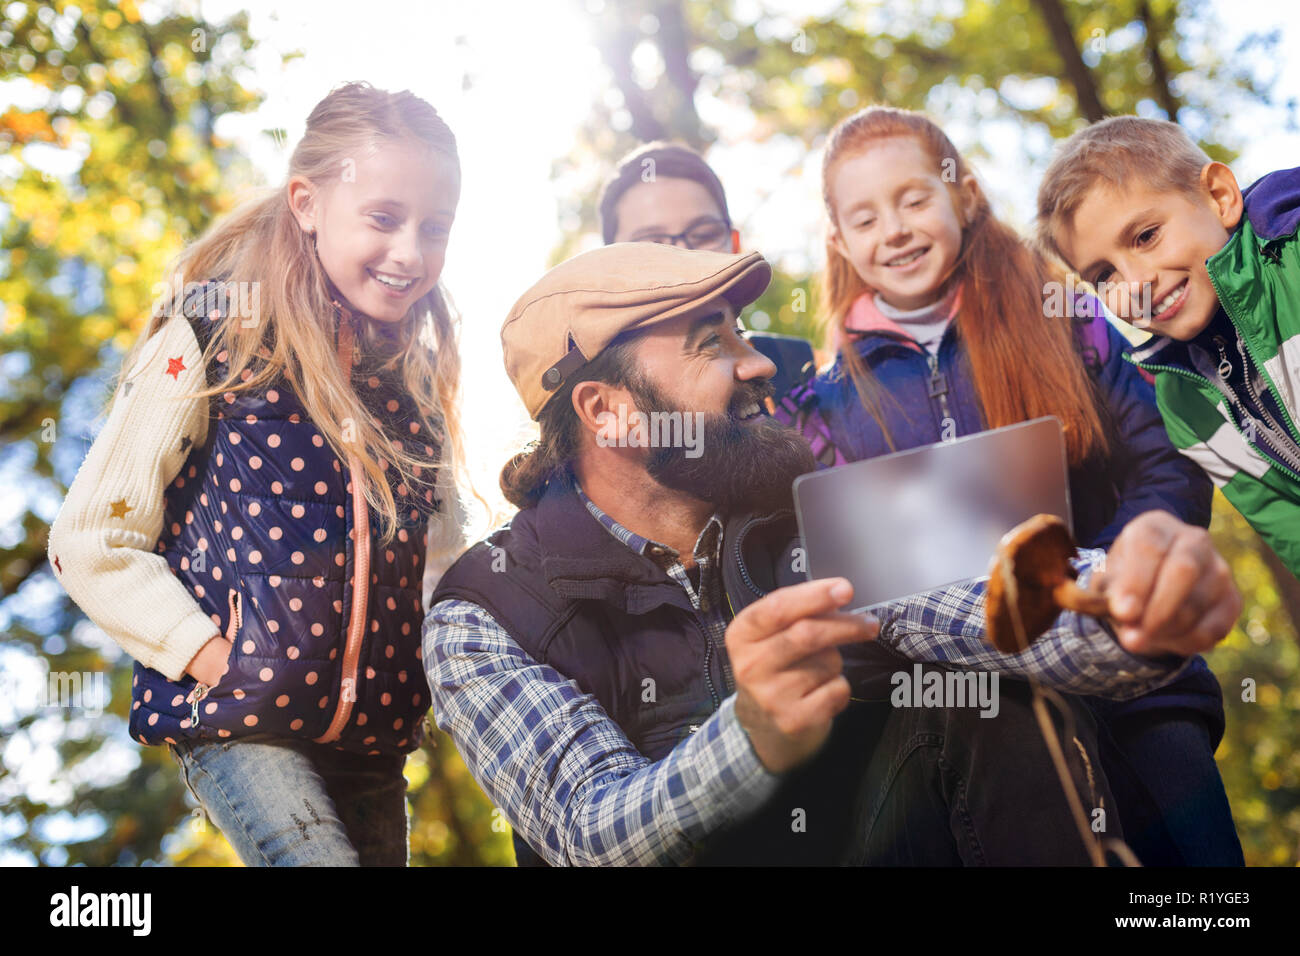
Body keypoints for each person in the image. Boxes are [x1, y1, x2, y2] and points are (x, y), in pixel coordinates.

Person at [423, 241, 1241, 866]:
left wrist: (1139, 603)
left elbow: (987, 605)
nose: (756, 363)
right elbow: (590, 833)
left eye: (740, 332)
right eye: (711, 344)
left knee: (987, 696)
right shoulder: (481, 614)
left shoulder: (819, 513)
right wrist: (749, 736)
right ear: (608, 412)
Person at [771, 105, 1240, 865]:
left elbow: (1167, 459)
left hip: (1137, 685)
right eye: (865, 217)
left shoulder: (1065, 315)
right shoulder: (819, 408)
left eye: (914, 199)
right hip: (985, 725)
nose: (893, 230)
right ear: (839, 240)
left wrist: (1124, 567)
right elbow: (847, 578)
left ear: (964, 195)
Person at [47, 82, 468, 866]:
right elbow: (90, 539)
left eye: (434, 228)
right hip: (240, 723)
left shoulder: (414, 390)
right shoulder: (216, 334)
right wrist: (215, 661)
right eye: (383, 218)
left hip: (374, 744)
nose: (410, 251)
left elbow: (440, 566)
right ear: (307, 203)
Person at [1037, 115, 1300, 578]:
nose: (1136, 283)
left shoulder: (1293, 260)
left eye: (1146, 236)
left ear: (1219, 197)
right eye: (1105, 276)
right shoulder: (1182, 405)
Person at [598, 140, 818, 404]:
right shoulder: (601, 399)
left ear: (735, 245)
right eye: (652, 244)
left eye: (704, 235)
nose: (684, 257)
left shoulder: (794, 367)